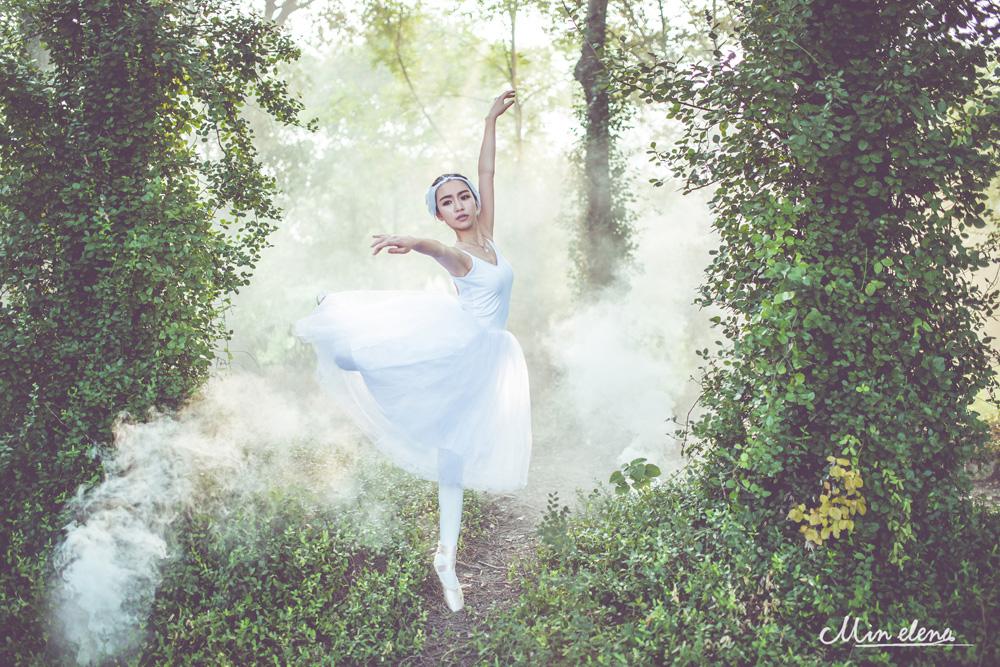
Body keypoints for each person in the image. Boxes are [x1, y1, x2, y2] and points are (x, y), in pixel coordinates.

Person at [293, 90, 530, 613]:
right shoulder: (461, 254)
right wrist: (413, 240)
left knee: (453, 458)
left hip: (486, 360)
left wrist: (489, 119)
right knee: (383, 361)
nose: (459, 205)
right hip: (463, 346)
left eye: (463, 197)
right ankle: (336, 331)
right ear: (440, 215)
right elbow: (437, 249)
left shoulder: (489, 236)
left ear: (474, 203)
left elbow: (487, 172)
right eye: (447, 203)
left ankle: (447, 557)